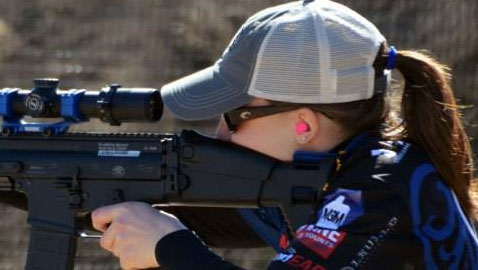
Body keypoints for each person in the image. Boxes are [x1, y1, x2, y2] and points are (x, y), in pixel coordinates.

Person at [91, 0, 478, 269]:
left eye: (233, 115)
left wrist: (169, 247)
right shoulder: (329, 172)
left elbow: (180, 236)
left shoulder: (376, 190)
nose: (220, 132)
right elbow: (204, 215)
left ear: (303, 125)